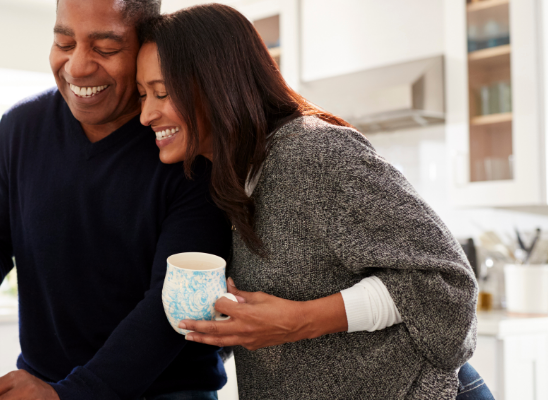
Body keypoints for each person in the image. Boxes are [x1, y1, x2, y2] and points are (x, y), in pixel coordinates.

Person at [136, 4, 493, 399]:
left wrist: (300, 320)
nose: (146, 114)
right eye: (142, 95)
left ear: (218, 82)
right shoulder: (226, 178)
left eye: (162, 92)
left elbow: (445, 286)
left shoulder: (313, 153)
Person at [0, 1, 233, 399]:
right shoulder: (21, 128)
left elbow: (169, 306)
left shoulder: (187, 145)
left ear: (146, 46)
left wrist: (69, 394)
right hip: (47, 384)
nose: (77, 67)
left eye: (105, 49)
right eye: (63, 42)